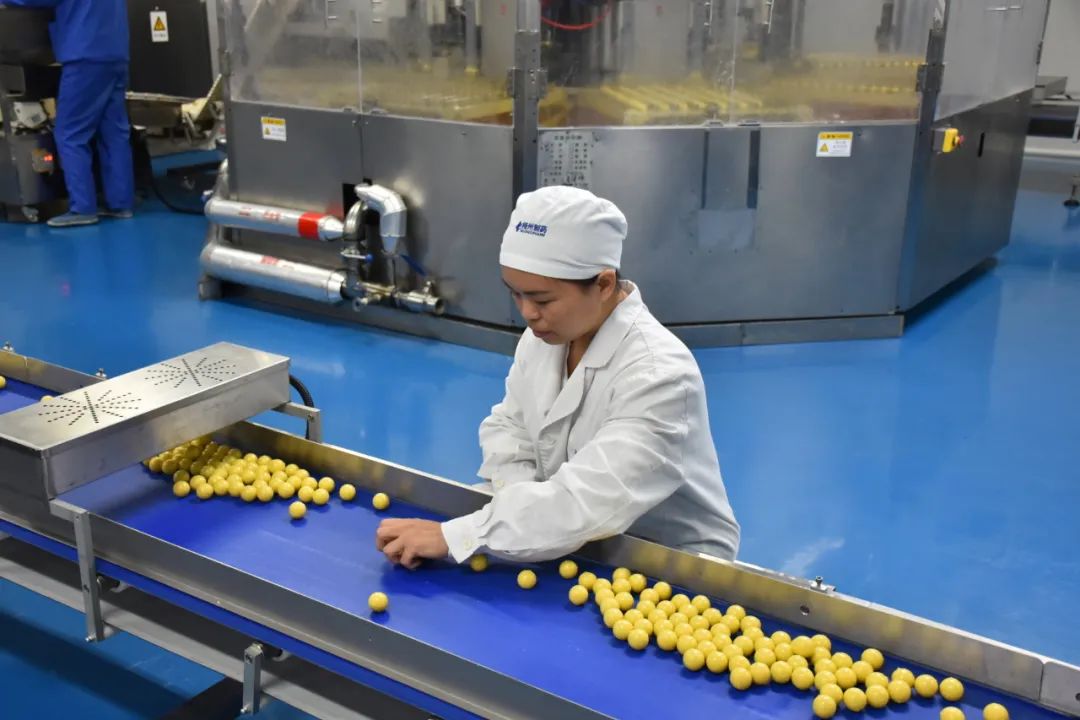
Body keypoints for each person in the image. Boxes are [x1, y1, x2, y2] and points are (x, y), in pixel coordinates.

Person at [376, 186, 740, 569]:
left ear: (603, 284)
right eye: (515, 294)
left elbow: (588, 500)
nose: (527, 313)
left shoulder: (659, 375)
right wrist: (520, 507)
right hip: (567, 540)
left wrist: (461, 536)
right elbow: (511, 427)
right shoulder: (547, 336)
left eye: (542, 299)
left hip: (668, 563)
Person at [5, 0, 134, 227]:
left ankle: (82, 208)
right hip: (116, 54)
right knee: (114, 133)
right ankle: (121, 204)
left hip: (85, 54)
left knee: (69, 134)